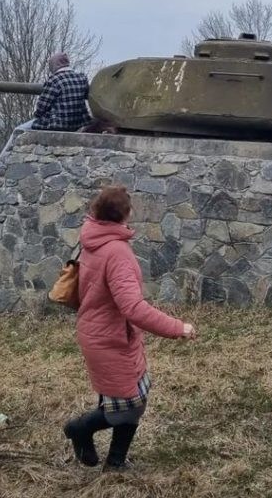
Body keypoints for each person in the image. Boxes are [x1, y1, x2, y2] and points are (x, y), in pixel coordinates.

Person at [63, 185, 197, 471]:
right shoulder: (116, 251)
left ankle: (115, 462)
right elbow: (133, 308)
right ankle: (79, 429)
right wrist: (178, 327)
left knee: (131, 400)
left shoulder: (94, 238)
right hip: (110, 339)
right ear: (124, 214)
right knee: (127, 405)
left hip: (105, 334)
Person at [0, 53, 91, 159]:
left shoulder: (54, 80)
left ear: (55, 65)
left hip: (58, 124)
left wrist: (38, 116)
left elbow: (41, 107)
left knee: (19, 130)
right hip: (79, 123)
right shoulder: (81, 78)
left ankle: (0, 160)